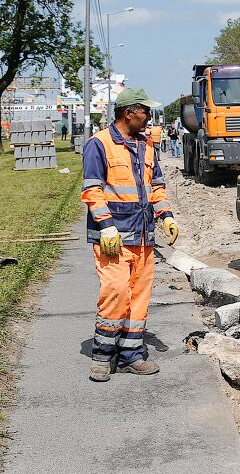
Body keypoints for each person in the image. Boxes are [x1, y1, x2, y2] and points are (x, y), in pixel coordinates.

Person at [81, 88, 180, 382]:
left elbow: (156, 188)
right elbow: (92, 190)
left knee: (139, 296)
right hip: (113, 237)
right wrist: (107, 227)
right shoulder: (99, 144)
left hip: (144, 236)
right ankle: (102, 356)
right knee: (116, 292)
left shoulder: (147, 146)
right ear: (129, 113)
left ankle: (131, 355)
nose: (148, 116)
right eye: (144, 111)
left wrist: (167, 216)